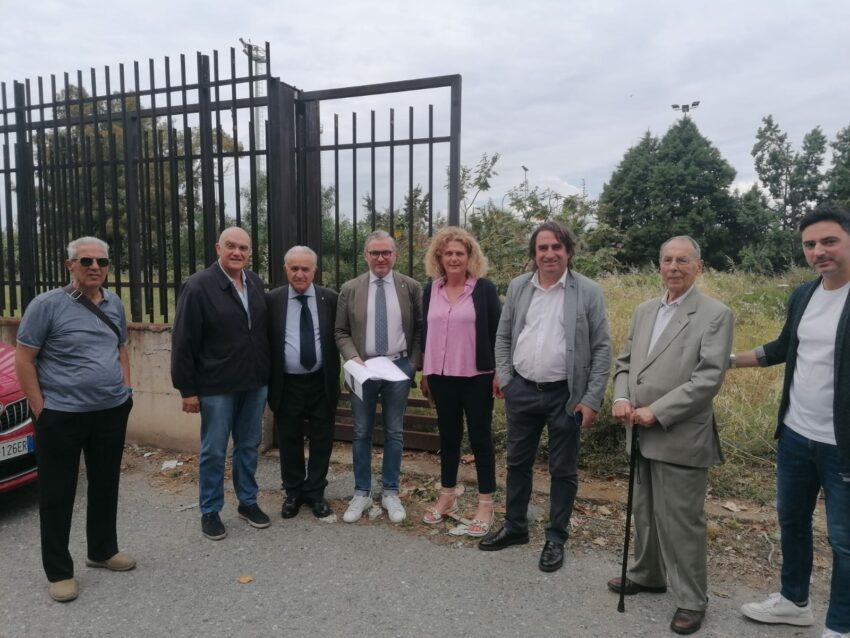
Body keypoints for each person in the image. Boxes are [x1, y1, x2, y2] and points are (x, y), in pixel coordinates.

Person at [607, 236, 733, 635]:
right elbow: (625, 363)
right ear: (658, 266)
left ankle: (693, 599)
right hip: (638, 430)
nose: (674, 267)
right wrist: (622, 396)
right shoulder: (646, 310)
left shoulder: (714, 314)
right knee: (644, 510)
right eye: (667, 260)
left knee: (680, 520)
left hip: (678, 434)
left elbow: (708, 378)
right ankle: (648, 573)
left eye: (683, 260)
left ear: (699, 266)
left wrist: (656, 412)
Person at [735, 204, 850, 638]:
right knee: (792, 522)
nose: (819, 251)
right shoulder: (804, 294)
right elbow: (782, 347)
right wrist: (725, 361)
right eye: (810, 244)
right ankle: (793, 601)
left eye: (829, 241)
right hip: (797, 436)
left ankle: (840, 626)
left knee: (844, 542)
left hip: (844, 446)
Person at [479, 221, 611, 573]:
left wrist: (592, 397)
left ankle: (556, 536)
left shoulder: (588, 291)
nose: (549, 254)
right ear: (534, 254)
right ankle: (516, 526)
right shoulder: (520, 286)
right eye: (542, 248)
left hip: (566, 395)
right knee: (517, 463)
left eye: (556, 247)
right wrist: (506, 379)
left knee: (563, 469)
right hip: (522, 390)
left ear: (568, 251)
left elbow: (601, 348)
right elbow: (504, 335)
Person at [15, 236, 135, 603]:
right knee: (57, 492)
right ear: (70, 266)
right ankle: (59, 571)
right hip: (61, 416)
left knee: (105, 483)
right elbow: (24, 359)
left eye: (102, 261)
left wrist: (126, 392)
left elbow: (121, 347)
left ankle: (102, 550)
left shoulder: (114, 303)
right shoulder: (47, 305)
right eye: (86, 261)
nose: (95, 267)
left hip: (110, 411)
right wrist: (41, 410)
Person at [171, 226, 272, 540]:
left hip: (253, 382)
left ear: (250, 252)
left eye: (243, 248)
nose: (237, 253)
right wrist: (187, 390)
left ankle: (247, 501)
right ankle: (210, 510)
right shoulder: (199, 286)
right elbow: (183, 341)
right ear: (218, 248)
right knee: (214, 450)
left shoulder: (254, 282)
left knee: (248, 446)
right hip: (216, 386)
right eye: (231, 246)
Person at [335, 230, 422, 524]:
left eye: (386, 252)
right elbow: (340, 331)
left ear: (395, 255)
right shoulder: (351, 288)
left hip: (398, 368)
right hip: (364, 368)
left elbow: (421, 329)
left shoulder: (410, 287)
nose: (381, 258)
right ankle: (361, 492)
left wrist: (413, 364)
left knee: (394, 432)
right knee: (361, 431)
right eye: (375, 253)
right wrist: (353, 358)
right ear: (365, 256)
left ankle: (390, 492)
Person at [419, 227, 501, 536]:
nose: (454, 258)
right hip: (441, 377)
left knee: (480, 439)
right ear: (439, 256)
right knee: (449, 438)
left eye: (460, 253)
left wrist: (499, 371)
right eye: (448, 252)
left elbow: (497, 334)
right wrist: (426, 372)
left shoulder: (483, 289)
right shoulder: (432, 290)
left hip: (477, 377)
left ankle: (485, 503)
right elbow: (428, 334)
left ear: (469, 258)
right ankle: (448, 496)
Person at [266, 246, 340, 520]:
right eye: (294, 268)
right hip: (287, 384)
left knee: (322, 438)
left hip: (321, 382)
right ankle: (294, 491)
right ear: (285, 270)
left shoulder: (329, 298)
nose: (299, 274)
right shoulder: (273, 300)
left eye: (305, 268)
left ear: (314, 271)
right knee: (289, 439)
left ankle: (316, 491)